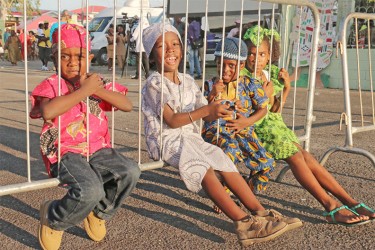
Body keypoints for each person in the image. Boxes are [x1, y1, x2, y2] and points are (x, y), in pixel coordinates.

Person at [141, 22, 296, 247]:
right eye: (161, 46)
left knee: (221, 159)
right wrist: (207, 110)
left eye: (175, 44)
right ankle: (244, 223)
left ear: (183, 48)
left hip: (191, 137)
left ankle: (260, 213)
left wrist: (218, 108)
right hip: (169, 139)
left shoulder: (187, 80)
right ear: (152, 55)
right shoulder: (155, 83)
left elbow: (206, 113)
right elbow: (173, 120)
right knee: (203, 167)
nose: (171, 50)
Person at [241, 25, 374, 226]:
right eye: (251, 54)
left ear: (269, 56)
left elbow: (276, 109)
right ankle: (330, 206)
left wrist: (286, 87)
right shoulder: (242, 77)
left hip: (274, 127)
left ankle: (349, 201)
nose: (256, 59)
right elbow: (248, 112)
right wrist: (264, 96)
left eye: (261, 54)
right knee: (295, 157)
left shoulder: (268, 74)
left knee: (306, 156)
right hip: (255, 129)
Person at [29, 23, 141, 250]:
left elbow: (126, 105)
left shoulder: (95, 82)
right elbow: (49, 111)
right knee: (90, 189)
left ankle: (99, 212)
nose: (72, 62)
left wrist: (95, 89)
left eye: (79, 56)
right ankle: (54, 217)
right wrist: (84, 91)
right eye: (64, 56)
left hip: (98, 148)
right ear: (54, 58)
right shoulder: (52, 84)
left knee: (130, 171)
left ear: (88, 57)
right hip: (66, 151)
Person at [202, 37, 275, 194]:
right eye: (221, 64)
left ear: (241, 65)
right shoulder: (209, 85)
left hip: (243, 130)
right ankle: (224, 193)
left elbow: (263, 109)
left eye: (231, 66)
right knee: (230, 152)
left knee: (266, 161)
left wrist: (246, 122)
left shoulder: (250, 84)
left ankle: (246, 191)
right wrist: (213, 95)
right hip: (217, 131)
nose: (225, 70)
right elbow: (203, 113)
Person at [289, 0, 336, 89]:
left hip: (323, 5)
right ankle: (296, 73)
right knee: (301, 33)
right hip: (305, 6)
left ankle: (316, 75)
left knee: (321, 36)